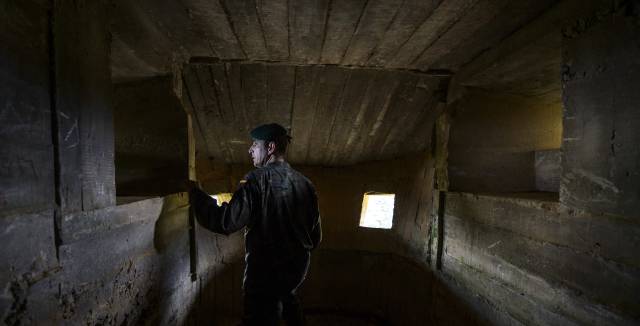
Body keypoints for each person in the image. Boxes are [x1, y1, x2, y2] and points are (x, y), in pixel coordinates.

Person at [187, 123, 321, 326]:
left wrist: (196, 194)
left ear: (270, 148)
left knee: (259, 318)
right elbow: (316, 237)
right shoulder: (306, 184)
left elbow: (226, 221)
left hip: (264, 274)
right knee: (290, 309)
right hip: (295, 271)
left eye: (255, 144)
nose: (250, 149)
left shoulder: (256, 180)